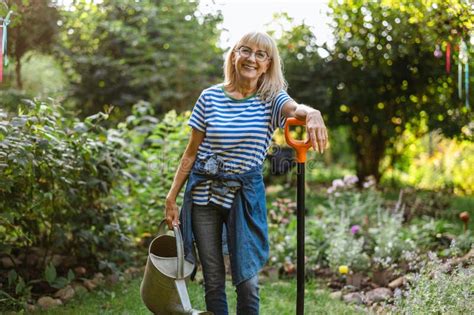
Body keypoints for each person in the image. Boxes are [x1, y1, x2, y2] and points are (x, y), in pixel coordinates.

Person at [165, 31, 328, 315]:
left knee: (248, 281)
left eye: (260, 54)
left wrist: (312, 113)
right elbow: (190, 152)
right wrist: (171, 198)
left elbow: (295, 109)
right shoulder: (210, 97)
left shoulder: (271, 98)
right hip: (203, 195)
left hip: (244, 197)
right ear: (234, 55)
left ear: (268, 64)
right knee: (213, 280)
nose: (252, 58)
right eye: (246, 51)